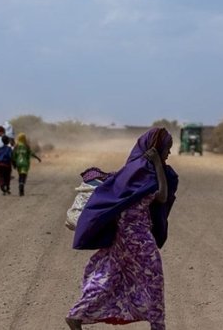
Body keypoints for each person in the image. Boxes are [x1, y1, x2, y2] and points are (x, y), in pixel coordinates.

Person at [66, 128, 178, 330]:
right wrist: (158, 167)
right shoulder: (147, 171)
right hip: (138, 237)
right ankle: (157, 325)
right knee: (153, 277)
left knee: (111, 275)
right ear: (155, 149)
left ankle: (77, 313)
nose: (168, 153)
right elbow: (161, 196)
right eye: (167, 149)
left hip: (120, 236)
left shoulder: (131, 169)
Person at [11, 133, 42, 197]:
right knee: (24, 175)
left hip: (18, 163)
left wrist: (13, 163)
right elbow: (31, 153)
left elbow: (13, 155)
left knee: (20, 175)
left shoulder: (16, 146)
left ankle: (20, 185)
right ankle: (21, 186)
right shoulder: (26, 146)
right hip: (25, 163)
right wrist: (38, 158)